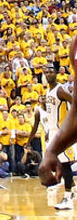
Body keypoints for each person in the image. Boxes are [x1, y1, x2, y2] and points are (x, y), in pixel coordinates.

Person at [35, 65, 76, 210]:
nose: (48, 74)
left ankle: (68, 198)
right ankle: (71, 189)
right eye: (46, 72)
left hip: (61, 132)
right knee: (60, 164)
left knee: (65, 164)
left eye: (51, 71)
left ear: (57, 73)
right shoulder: (48, 91)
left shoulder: (60, 89)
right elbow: (51, 112)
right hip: (52, 131)